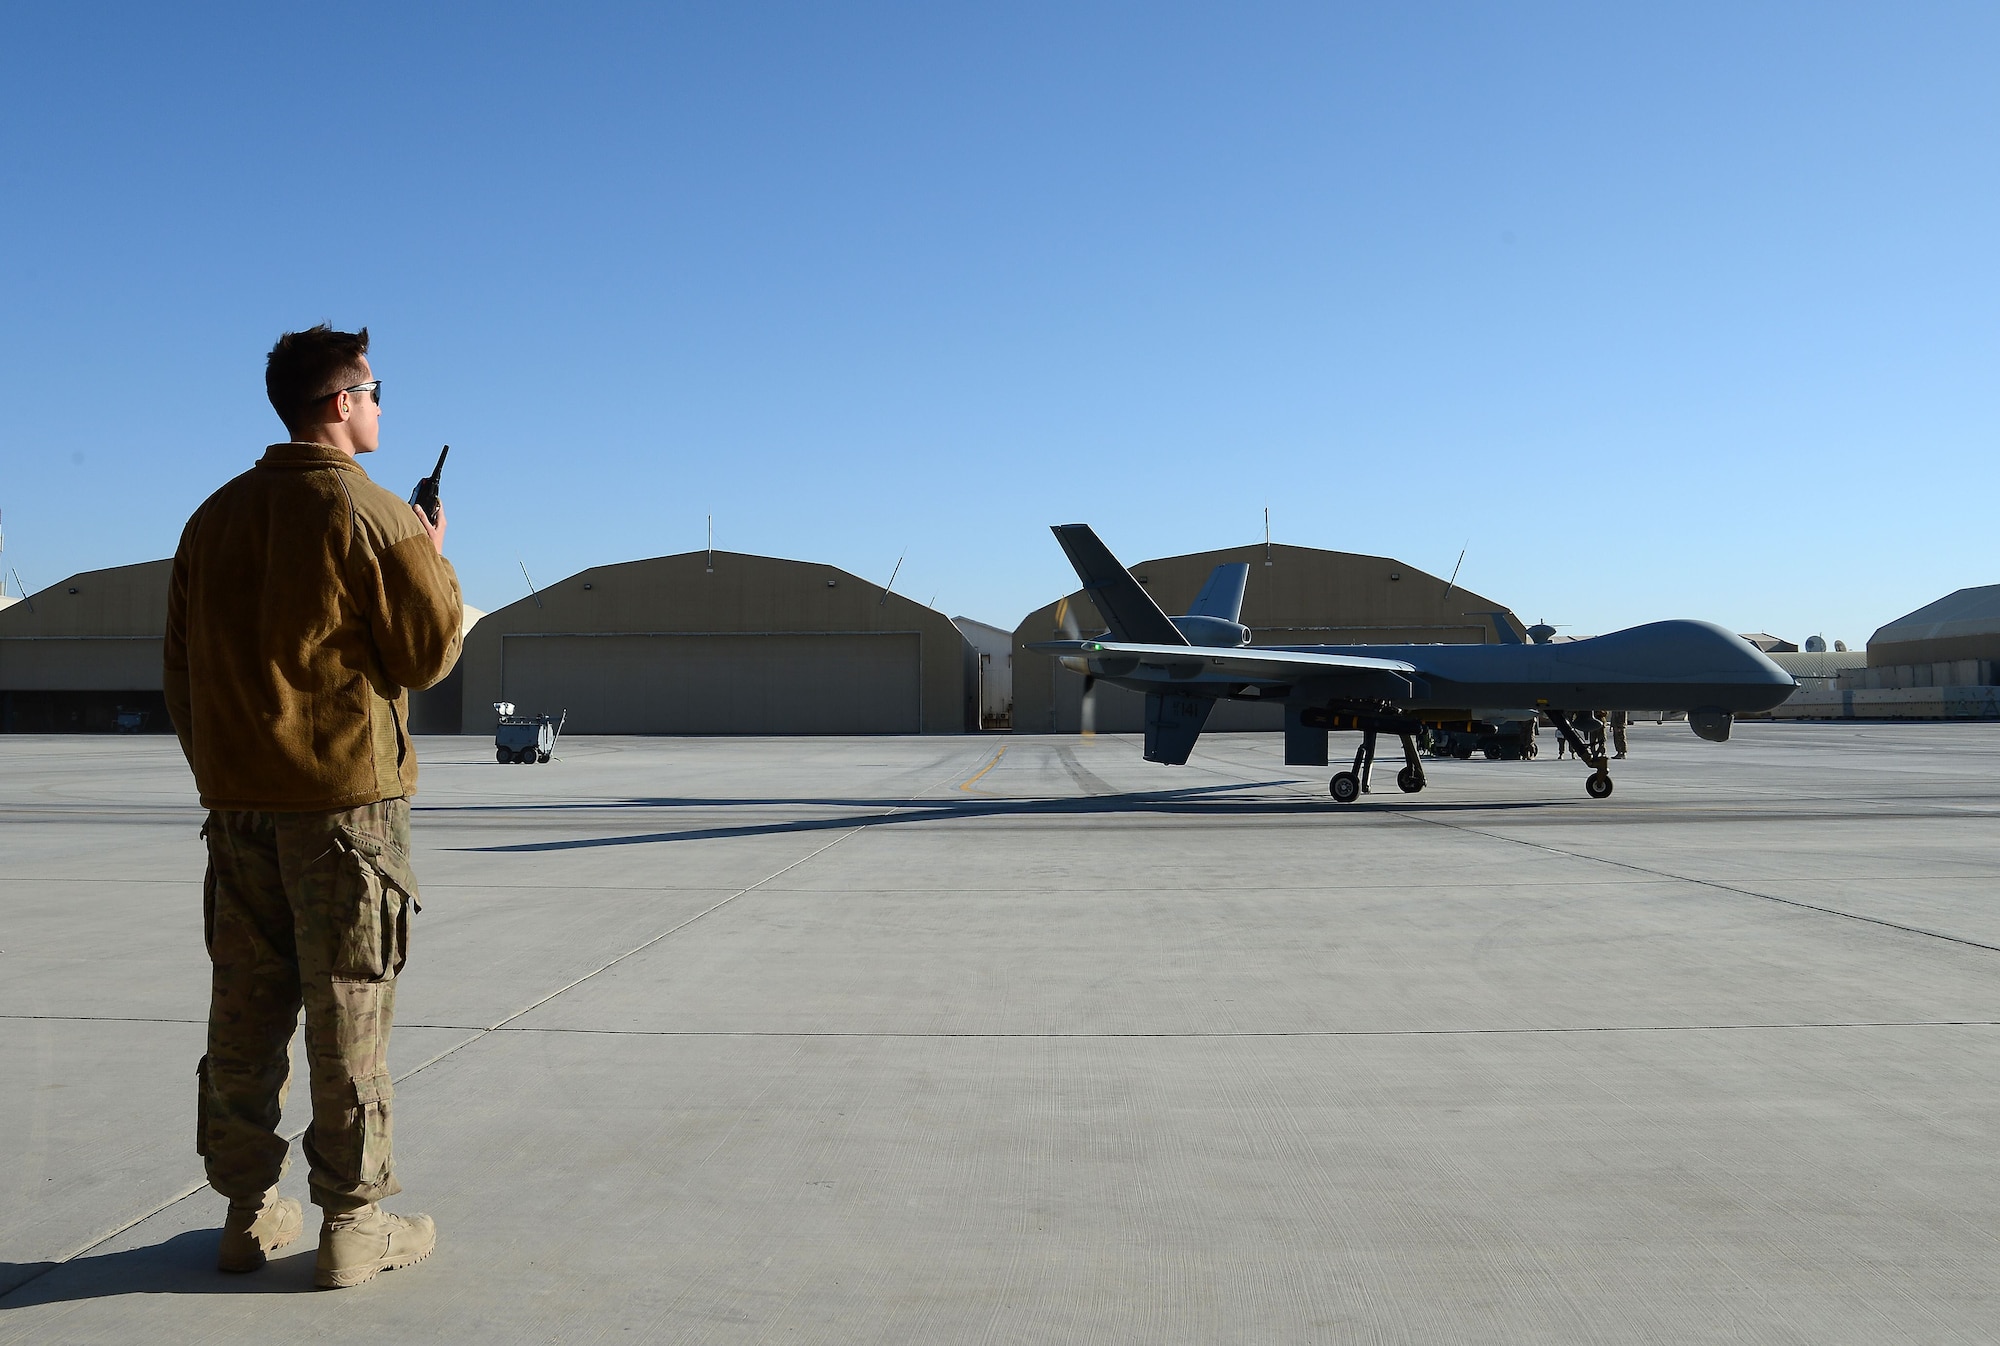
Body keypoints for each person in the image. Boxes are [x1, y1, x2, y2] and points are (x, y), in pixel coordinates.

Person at [164, 325, 463, 1289]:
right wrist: (431, 555)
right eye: (374, 390)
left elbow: (182, 675)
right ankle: (353, 1224)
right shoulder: (373, 516)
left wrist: (230, 772)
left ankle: (246, 1214)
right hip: (345, 811)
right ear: (341, 402)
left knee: (244, 1010)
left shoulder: (212, 520)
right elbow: (426, 652)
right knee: (349, 1010)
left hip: (238, 806)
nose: (379, 405)